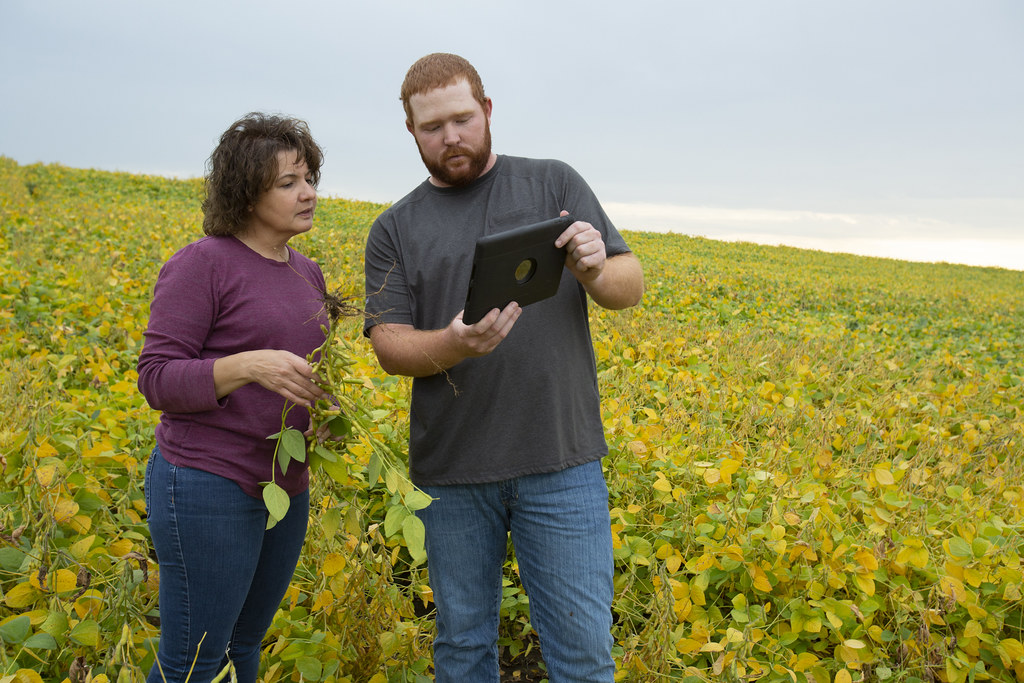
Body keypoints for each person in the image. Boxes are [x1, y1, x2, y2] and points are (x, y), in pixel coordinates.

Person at [363, 53, 644, 682]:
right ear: (411, 131)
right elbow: (389, 347)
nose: (451, 137)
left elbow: (628, 286)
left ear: (487, 111)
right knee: (463, 652)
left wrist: (597, 268)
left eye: (462, 119)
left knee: (583, 655)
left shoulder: (554, 184)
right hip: (453, 473)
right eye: (432, 127)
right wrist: (458, 344)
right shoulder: (394, 229)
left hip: (562, 463)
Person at [137, 113, 330, 683]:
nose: (309, 193)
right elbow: (157, 377)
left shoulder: (308, 273)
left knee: (244, 646)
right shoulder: (203, 265)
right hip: (207, 483)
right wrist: (245, 366)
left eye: (310, 177)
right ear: (246, 192)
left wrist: (323, 413)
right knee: (194, 660)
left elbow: (300, 372)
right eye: (289, 182)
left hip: (284, 485)